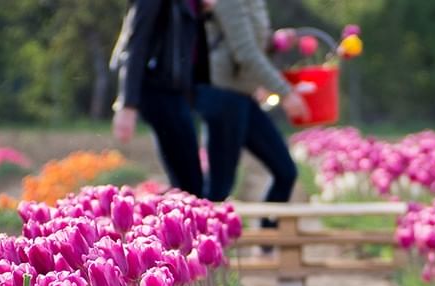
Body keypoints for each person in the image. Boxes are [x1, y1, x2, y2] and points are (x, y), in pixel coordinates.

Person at [196, 0, 308, 216]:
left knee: (285, 171)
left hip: (243, 97)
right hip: (223, 96)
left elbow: (250, 42)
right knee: (219, 188)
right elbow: (245, 54)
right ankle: (202, 244)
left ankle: (267, 240)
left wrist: (275, 42)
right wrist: (285, 92)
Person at [111, 0, 210, 196]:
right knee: (190, 185)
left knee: (188, 183)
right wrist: (128, 105)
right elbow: (136, 44)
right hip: (157, 90)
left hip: (175, 93)